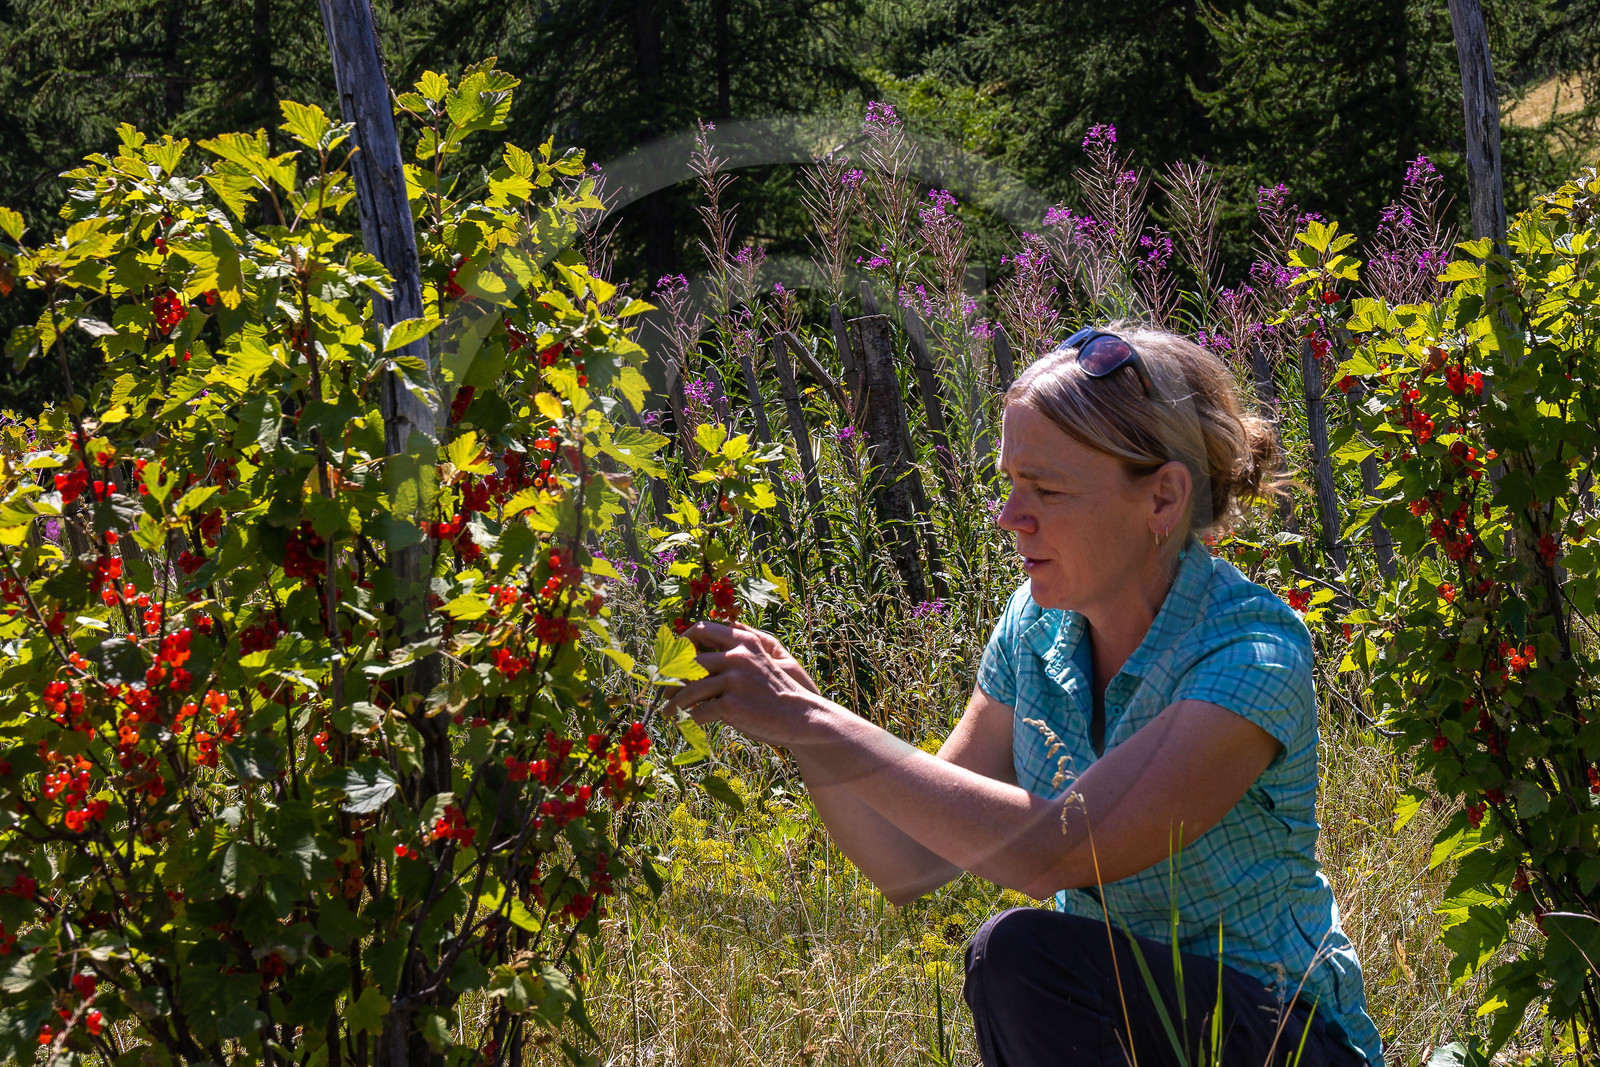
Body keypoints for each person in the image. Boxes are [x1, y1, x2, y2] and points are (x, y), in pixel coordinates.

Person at [668, 325, 1383, 1066]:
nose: (1011, 516)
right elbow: (907, 860)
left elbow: (1057, 849)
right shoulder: (1037, 627)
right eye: (1010, 481)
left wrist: (811, 714)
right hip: (1140, 1031)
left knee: (1021, 958)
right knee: (1023, 963)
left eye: (1046, 489)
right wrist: (805, 729)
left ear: (1163, 497)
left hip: (1290, 1035)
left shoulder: (1249, 650)